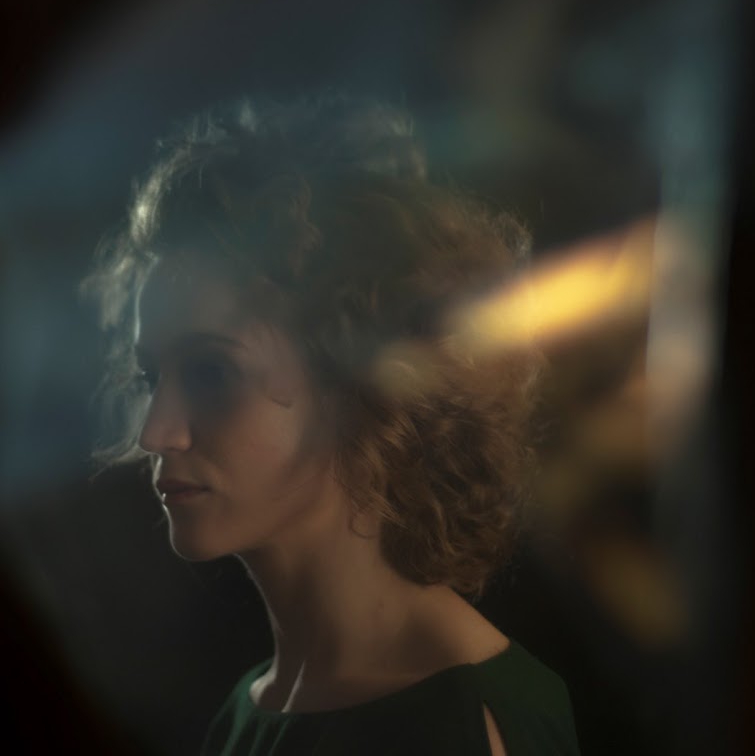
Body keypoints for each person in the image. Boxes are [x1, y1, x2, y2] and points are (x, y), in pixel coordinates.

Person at [83, 95, 581, 755]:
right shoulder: (252, 707)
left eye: (211, 374)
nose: (156, 434)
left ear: (356, 386)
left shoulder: (453, 721)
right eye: (150, 379)